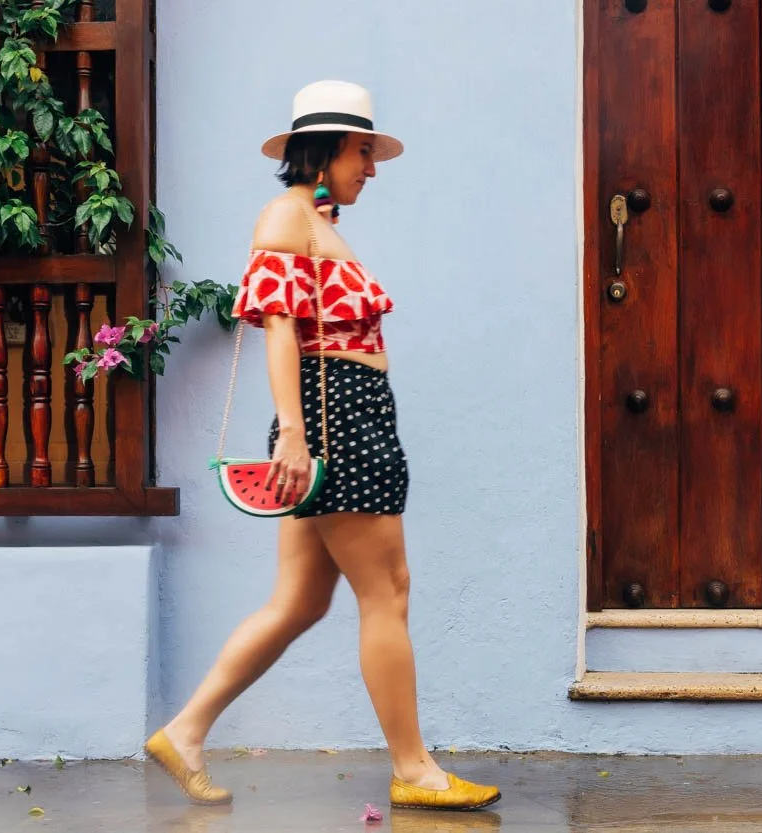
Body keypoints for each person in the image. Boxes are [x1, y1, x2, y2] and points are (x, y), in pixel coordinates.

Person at [143, 80, 500, 812]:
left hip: (347, 413)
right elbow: (279, 331)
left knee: (300, 600)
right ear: (328, 147)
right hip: (332, 415)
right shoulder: (286, 215)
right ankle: (415, 768)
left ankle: (185, 729)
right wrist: (296, 433)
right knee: (388, 590)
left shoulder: (314, 218)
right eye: (363, 151)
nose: (372, 166)